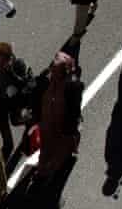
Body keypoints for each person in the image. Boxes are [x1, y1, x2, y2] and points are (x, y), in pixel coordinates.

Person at [31, 51, 83, 185]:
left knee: (49, 147)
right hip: (56, 123)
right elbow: (74, 110)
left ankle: (43, 172)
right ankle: (48, 171)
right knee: (58, 148)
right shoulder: (71, 84)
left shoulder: (50, 80)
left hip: (52, 122)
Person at [0, 42, 35, 156]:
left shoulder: (19, 65)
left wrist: (15, 85)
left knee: (15, 121)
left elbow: (29, 84)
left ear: (10, 58)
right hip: (1, 101)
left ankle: (30, 121)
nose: (1, 64)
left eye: (3, 61)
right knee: (3, 123)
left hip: (16, 102)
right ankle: (8, 145)